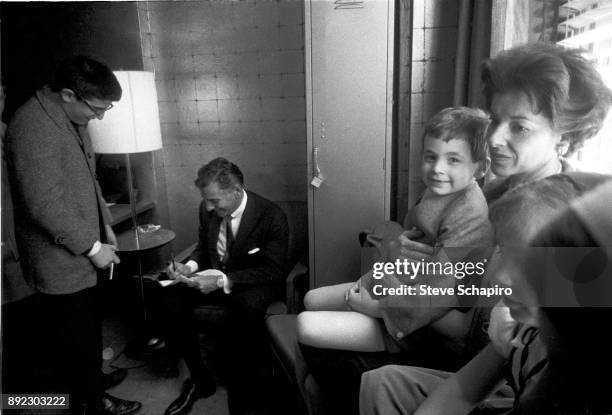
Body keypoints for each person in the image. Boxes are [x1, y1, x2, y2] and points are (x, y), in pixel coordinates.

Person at [307, 42, 612, 415]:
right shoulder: (495, 190)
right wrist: (406, 254)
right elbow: (450, 270)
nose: (495, 138)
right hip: (460, 348)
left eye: (519, 127)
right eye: (495, 119)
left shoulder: (568, 228)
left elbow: (550, 365)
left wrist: (392, 290)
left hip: (494, 378)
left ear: (563, 136)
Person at [359, 172, 612, 415]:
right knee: (383, 384)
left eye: (527, 261)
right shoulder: (514, 321)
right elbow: (461, 392)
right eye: (503, 252)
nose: (501, 277)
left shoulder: (587, 371)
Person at [5, 56, 141, 415]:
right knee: (76, 335)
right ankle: (91, 402)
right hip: (59, 261)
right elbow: (43, 206)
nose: (100, 117)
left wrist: (106, 224)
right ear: (68, 95)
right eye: (97, 109)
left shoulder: (68, 117)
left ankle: (91, 380)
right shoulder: (32, 126)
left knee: (88, 330)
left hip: (84, 244)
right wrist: (92, 245)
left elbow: (88, 177)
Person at [297, 106, 492, 353]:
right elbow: (408, 248)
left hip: (415, 323)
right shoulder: (438, 191)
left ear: (481, 168)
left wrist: (375, 307)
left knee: (305, 325)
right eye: (430, 157)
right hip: (398, 284)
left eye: (453, 160)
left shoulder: (470, 215)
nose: (437, 169)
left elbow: (434, 298)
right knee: (311, 299)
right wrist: (390, 255)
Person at [154, 157, 289, 415]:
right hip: (214, 277)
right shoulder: (209, 211)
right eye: (206, 199)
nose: (208, 206)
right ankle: (200, 379)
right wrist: (189, 268)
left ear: (236, 191)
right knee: (168, 297)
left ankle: (245, 392)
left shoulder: (271, 216)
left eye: (214, 200)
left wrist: (223, 281)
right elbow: (204, 249)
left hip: (254, 283)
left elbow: (273, 271)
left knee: (245, 309)